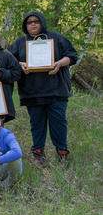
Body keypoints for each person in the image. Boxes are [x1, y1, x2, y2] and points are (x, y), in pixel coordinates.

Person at [9, 11, 77, 166]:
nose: (33, 24)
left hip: (56, 90)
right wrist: (21, 65)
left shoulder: (56, 38)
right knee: (37, 125)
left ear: (42, 23)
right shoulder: (20, 43)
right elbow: (10, 59)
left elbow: (72, 56)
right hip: (32, 91)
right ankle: (38, 154)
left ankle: (62, 154)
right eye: (29, 22)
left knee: (58, 124)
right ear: (25, 25)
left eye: (36, 21)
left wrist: (59, 63)